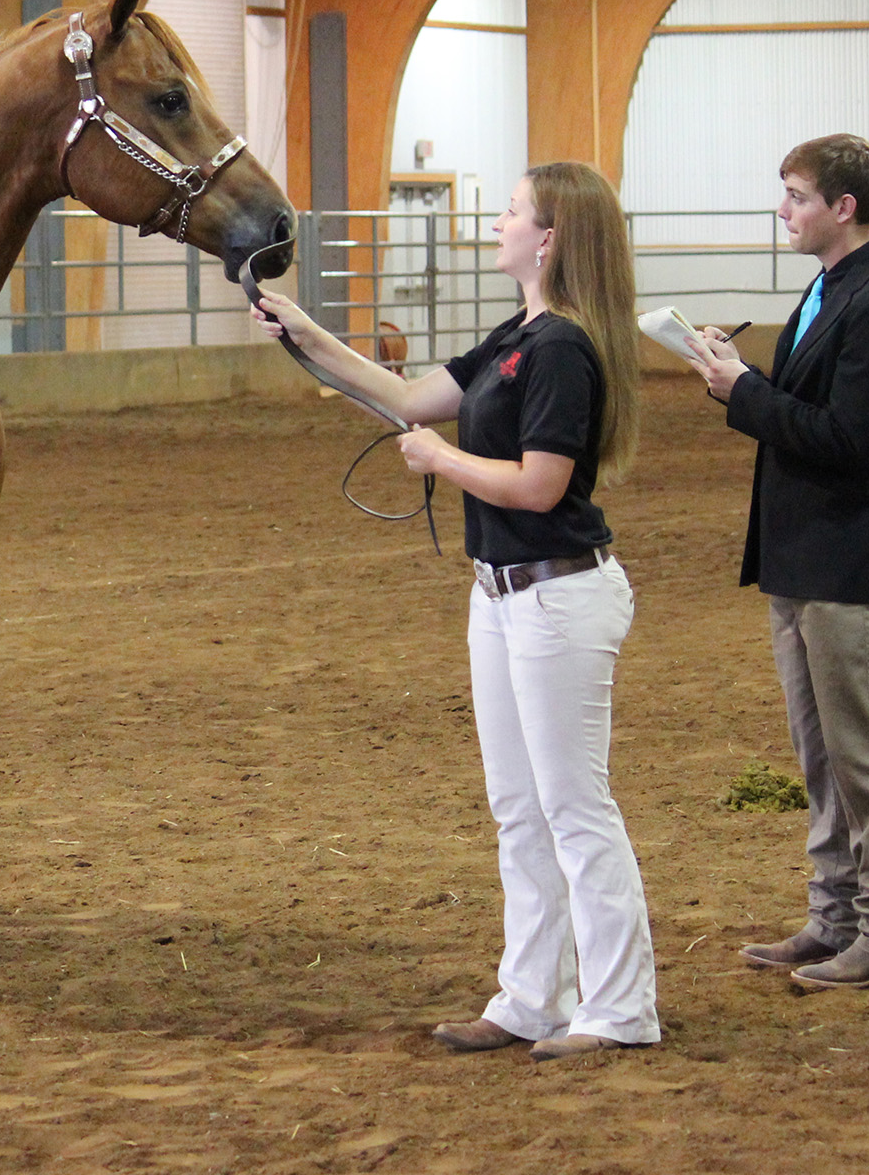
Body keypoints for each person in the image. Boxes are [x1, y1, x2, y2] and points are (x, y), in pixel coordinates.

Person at [252, 162, 660, 1060]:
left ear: (548, 238)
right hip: (505, 595)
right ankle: (531, 996)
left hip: (556, 592)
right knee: (520, 806)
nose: (500, 222)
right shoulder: (519, 335)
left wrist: (442, 463)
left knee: (572, 805)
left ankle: (621, 1006)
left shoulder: (561, 348)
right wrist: (304, 329)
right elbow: (402, 398)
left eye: (513, 211)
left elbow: (540, 484)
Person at [692, 133, 869, 990]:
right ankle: (837, 916)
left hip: (845, 560)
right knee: (823, 756)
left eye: (794, 195)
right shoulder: (834, 289)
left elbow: (847, 441)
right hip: (804, 558)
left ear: (844, 208)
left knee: (866, 753)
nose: (782, 210)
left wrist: (743, 394)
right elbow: (805, 406)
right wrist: (739, 372)